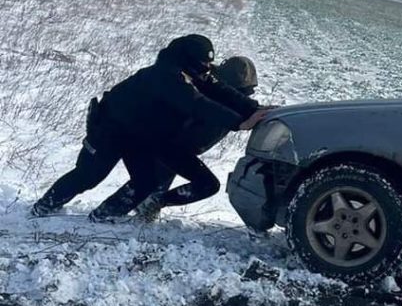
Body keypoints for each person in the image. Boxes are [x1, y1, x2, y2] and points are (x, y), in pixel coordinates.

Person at [31, 35, 267, 219]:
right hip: (110, 130)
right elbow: (197, 104)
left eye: (209, 65)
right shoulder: (166, 75)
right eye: (203, 65)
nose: (207, 70)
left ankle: (105, 216)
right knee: (88, 176)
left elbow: (220, 90)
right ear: (187, 60)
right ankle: (44, 207)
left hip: (139, 134)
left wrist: (254, 108)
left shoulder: (192, 72)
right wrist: (240, 123)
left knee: (146, 180)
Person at [108, 55, 261, 222]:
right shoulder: (206, 96)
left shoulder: (227, 99)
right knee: (149, 183)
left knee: (151, 184)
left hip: (179, 148)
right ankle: (112, 213)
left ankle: (139, 210)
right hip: (167, 144)